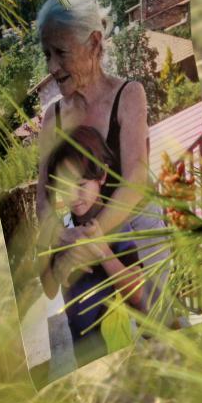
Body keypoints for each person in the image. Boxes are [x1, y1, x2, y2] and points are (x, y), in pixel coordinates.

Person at [33, 0, 152, 282]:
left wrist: (92, 238)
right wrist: (65, 237)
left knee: (158, 319)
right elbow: (43, 201)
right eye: (47, 55)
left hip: (138, 230)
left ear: (95, 43)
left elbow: (137, 177)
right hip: (83, 244)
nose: (52, 67)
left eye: (61, 53)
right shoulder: (53, 118)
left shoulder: (129, 95)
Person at [40, 125, 160, 364]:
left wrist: (102, 250)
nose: (72, 197)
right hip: (84, 351)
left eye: (81, 185)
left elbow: (137, 294)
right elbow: (49, 289)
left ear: (102, 176)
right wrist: (60, 266)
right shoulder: (63, 228)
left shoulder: (116, 226)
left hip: (122, 346)